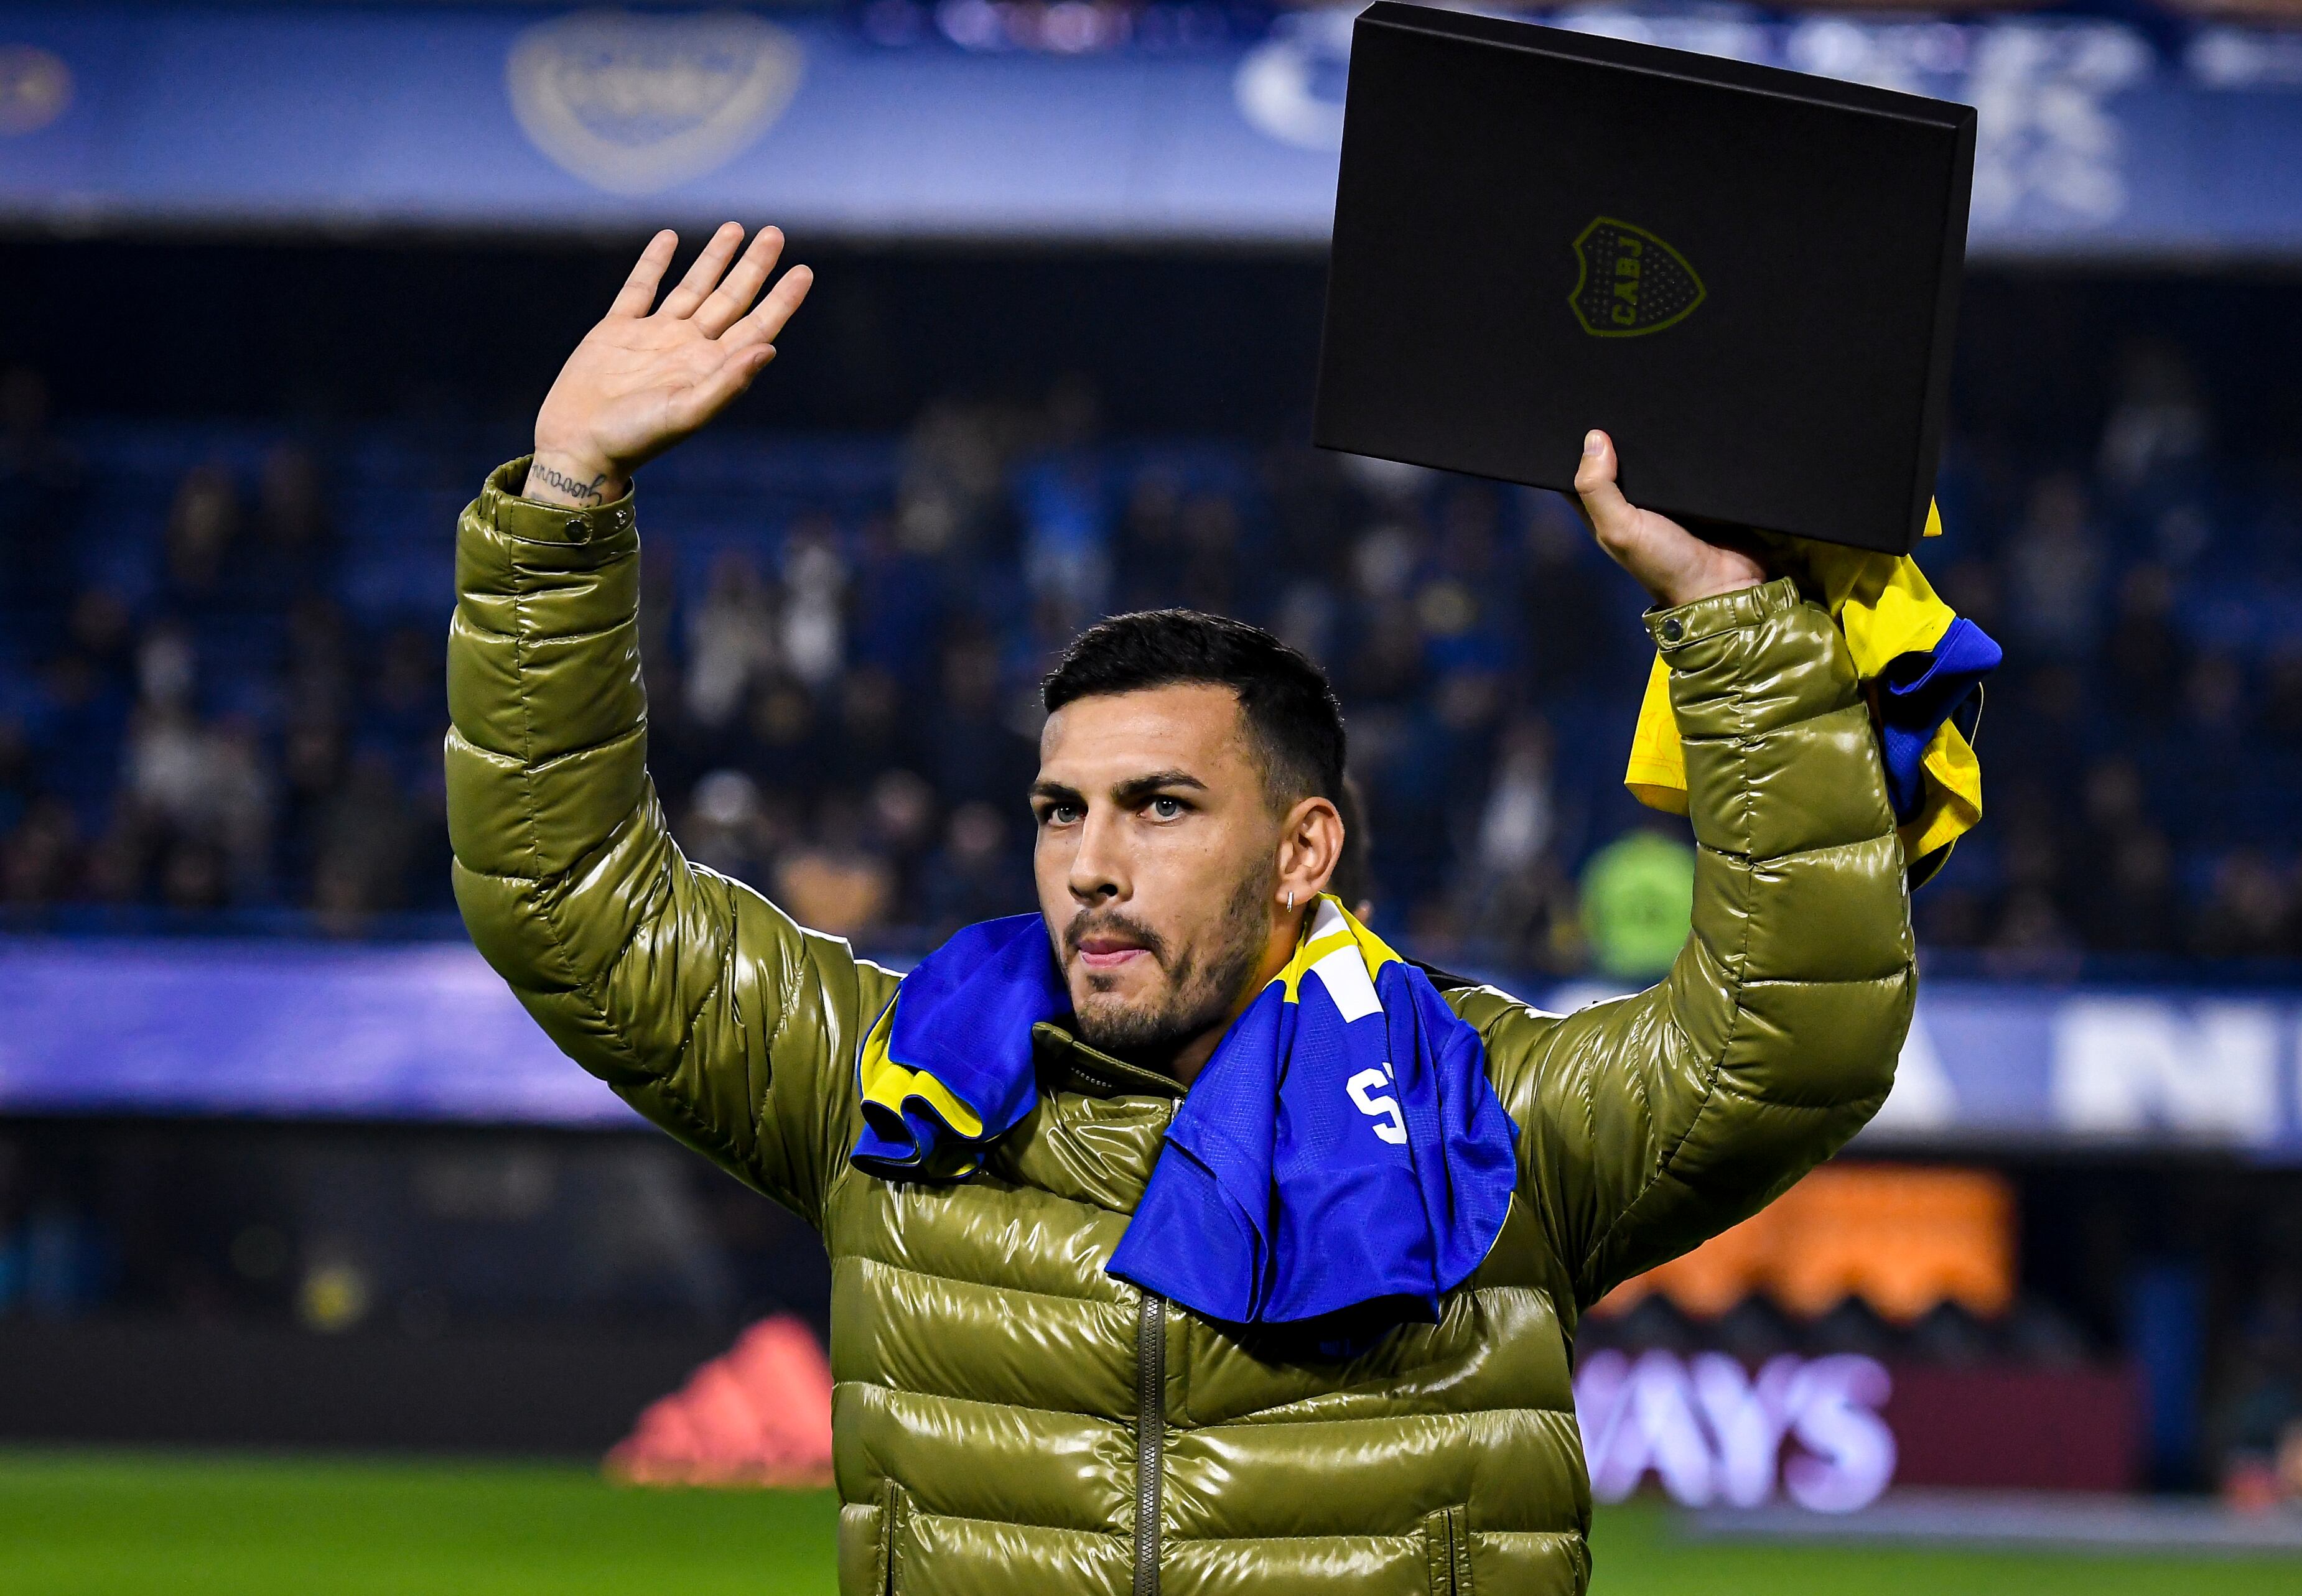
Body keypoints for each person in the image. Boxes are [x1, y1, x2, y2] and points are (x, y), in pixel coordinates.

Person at [448, 226, 1913, 1595]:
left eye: (1159, 806)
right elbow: (573, 906)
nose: (1090, 860)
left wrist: (1733, 630)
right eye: (1058, 809)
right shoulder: (893, 1088)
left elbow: (1791, 1039)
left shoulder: (1483, 1120)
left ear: (1300, 850)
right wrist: (564, 502)